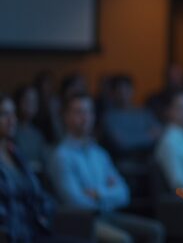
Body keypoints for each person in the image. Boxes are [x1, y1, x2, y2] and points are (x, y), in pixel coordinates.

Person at [48, 93, 165, 243]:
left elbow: (124, 192)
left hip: (108, 214)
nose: (85, 117)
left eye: (89, 112)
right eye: (79, 112)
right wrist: (109, 192)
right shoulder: (62, 156)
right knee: (122, 239)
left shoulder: (99, 153)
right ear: (66, 117)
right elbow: (75, 202)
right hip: (81, 222)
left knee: (155, 230)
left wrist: (98, 194)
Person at [0, 93, 59, 242]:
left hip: (36, 230)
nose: (12, 120)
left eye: (13, 113)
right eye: (4, 114)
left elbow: (39, 192)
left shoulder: (15, 152)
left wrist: (45, 211)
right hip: (13, 235)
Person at [13, 84, 49, 174]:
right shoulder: (12, 131)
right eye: (27, 100)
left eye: (34, 101)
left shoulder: (38, 134)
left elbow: (44, 163)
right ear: (18, 102)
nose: (31, 105)